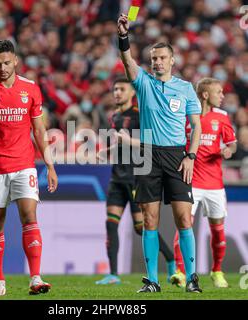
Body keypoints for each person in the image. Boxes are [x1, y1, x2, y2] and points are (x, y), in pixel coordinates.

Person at [117, 14, 202, 293]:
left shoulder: (186, 89)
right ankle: (152, 280)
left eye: (162, 58)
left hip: (177, 156)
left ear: (172, 60)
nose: (157, 62)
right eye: (154, 58)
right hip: (147, 154)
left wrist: (190, 156)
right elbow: (129, 63)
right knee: (149, 218)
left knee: (183, 217)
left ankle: (191, 277)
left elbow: (196, 127)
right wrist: (123, 37)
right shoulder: (144, 83)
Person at [0, 40, 58, 296]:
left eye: (7, 62)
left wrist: (49, 165)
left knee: (30, 216)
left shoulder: (30, 88)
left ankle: (36, 278)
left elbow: (39, 130)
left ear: (16, 60)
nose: (3, 67)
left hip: (24, 165)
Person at [95, 77, 177, 285]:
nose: (117, 93)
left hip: (136, 177)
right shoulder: (116, 116)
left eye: (121, 89)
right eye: (114, 89)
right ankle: (113, 274)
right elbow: (121, 145)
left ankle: (171, 261)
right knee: (111, 223)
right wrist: (108, 150)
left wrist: (128, 140)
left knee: (141, 227)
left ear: (132, 93)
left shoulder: (141, 116)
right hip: (117, 178)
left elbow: (151, 143)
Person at [171, 78, 237, 288]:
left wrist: (228, 150)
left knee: (217, 229)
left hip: (215, 183)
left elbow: (232, 144)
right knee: (183, 225)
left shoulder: (222, 117)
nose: (223, 96)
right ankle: (180, 272)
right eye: (219, 92)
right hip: (191, 181)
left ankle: (217, 270)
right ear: (206, 95)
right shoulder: (187, 116)